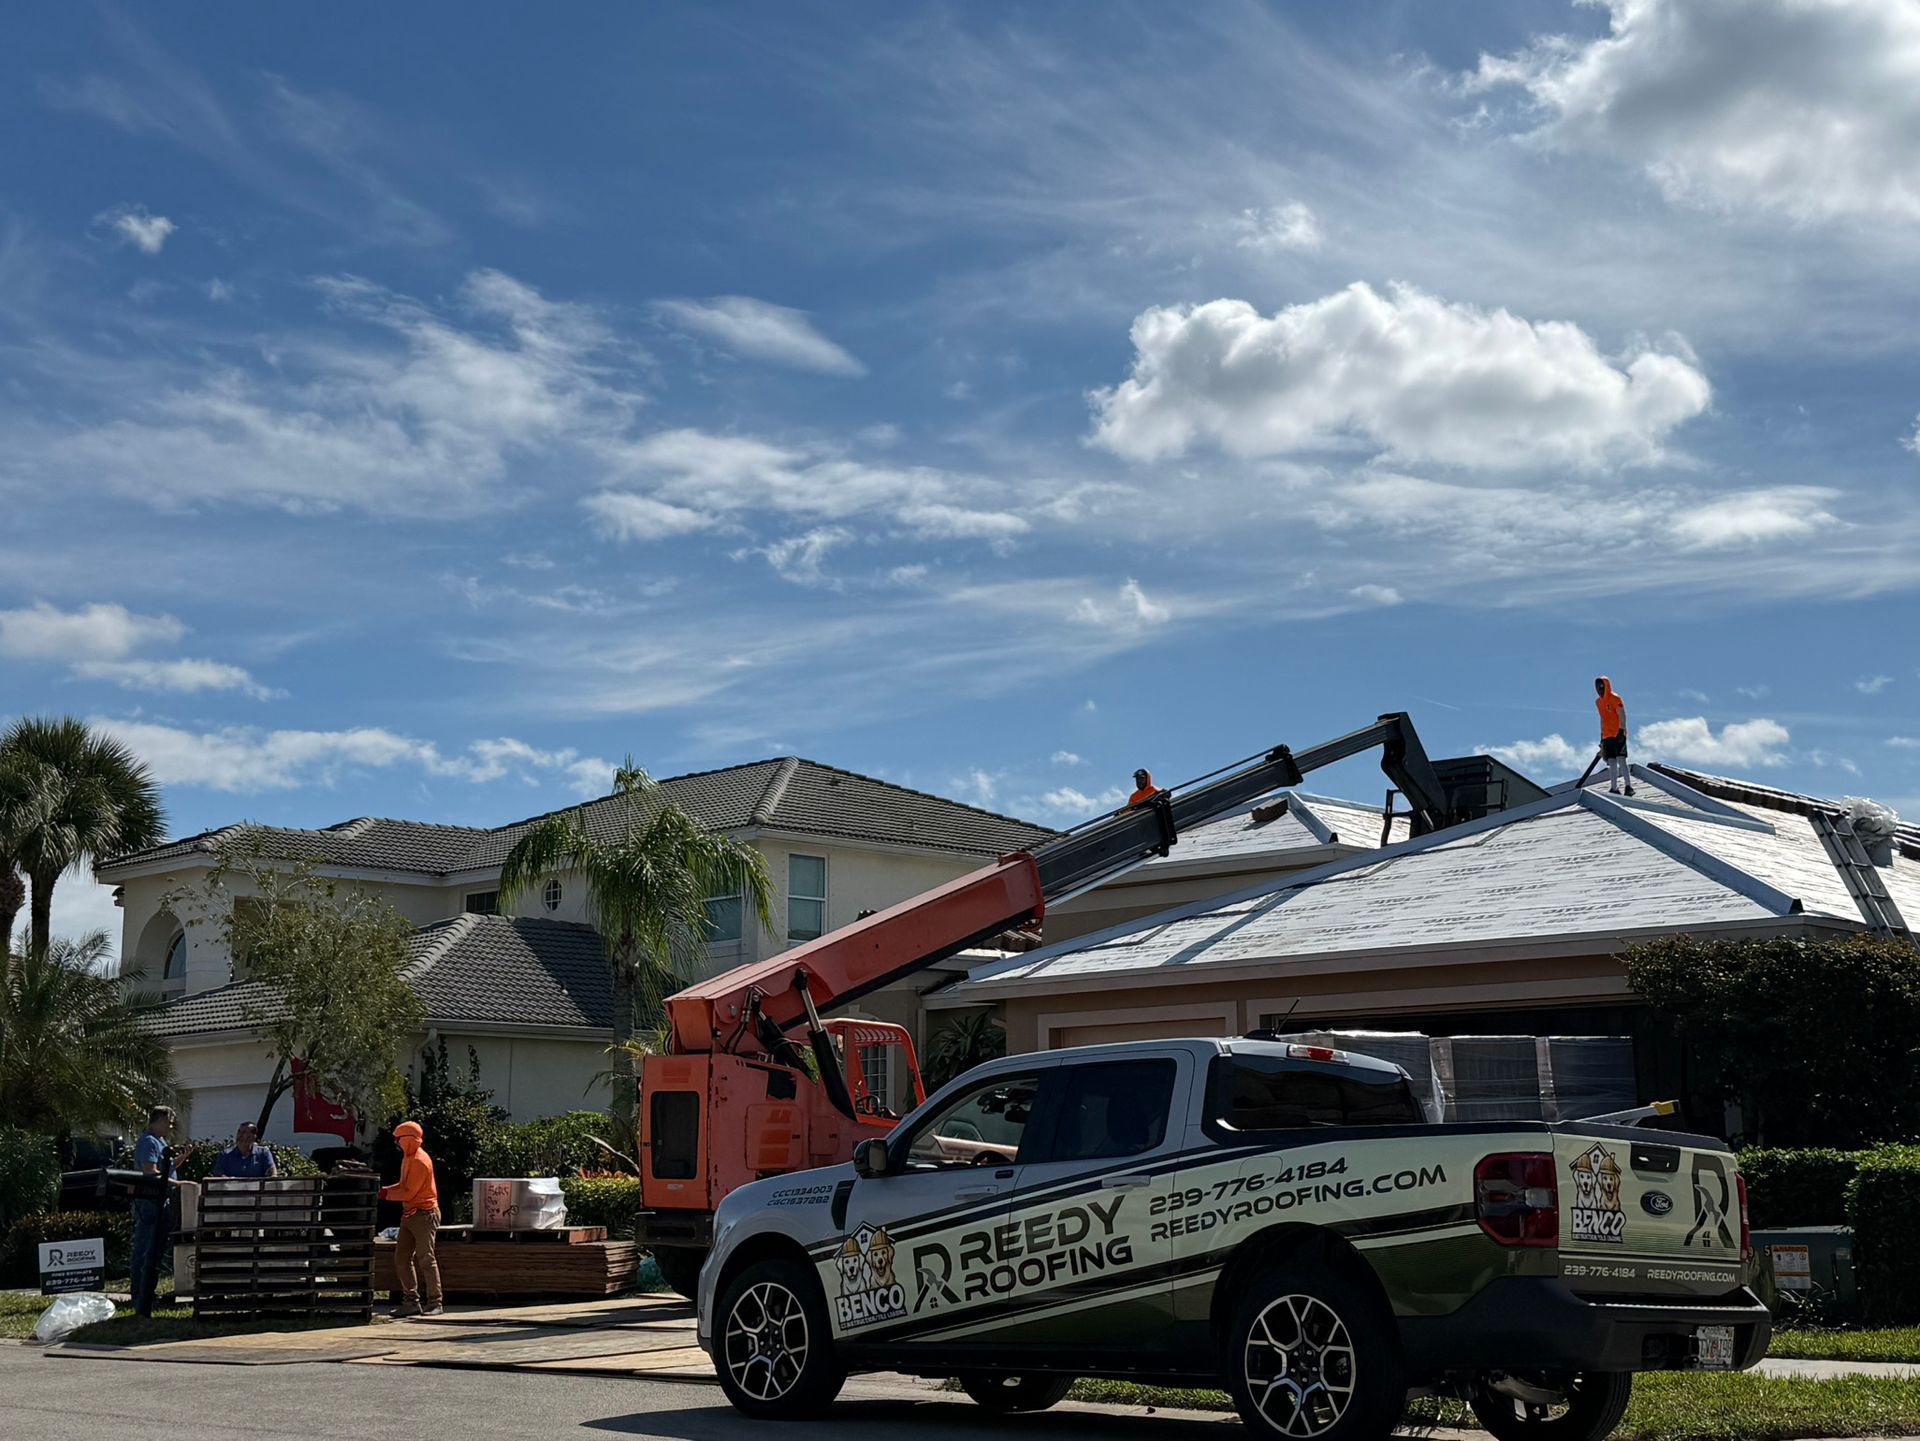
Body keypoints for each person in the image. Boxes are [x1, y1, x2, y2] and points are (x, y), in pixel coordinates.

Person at [129, 1104, 192, 1318]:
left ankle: (149, 1292)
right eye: (169, 1123)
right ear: (159, 1121)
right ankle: (139, 1294)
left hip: (161, 1201)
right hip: (149, 1202)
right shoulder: (148, 1142)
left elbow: (165, 1168)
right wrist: (180, 1184)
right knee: (145, 1249)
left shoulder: (161, 1142)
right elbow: (152, 1173)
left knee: (156, 1250)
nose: (170, 1127)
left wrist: (181, 1158)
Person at [381, 1120, 443, 1317]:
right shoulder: (408, 1157)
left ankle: (435, 1302)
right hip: (410, 1214)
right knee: (402, 1258)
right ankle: (411, 1302)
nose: (397, 1143)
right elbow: (402, 1185)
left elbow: (408, 1193)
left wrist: (383, 1196)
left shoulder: (419, 1160)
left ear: (408, 1140)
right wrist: (382, 1189)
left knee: (426, 1258)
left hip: (424, 1214)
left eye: (399, 1139)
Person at [1595, 676, 1634, 797]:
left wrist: (1622, 730)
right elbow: (1602, 718)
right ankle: (1614, 787)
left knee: (1621, 759)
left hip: (1617, 733)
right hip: (1607, 735)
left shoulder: (1615, 698)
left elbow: (1622, 714)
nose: (1599, 689)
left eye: (1601, 686)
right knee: (1611, 761)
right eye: (1597, 686)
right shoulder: (1599, 702)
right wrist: (1602, 736)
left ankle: (1628, 786)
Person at [211, 1121, 278, 1179]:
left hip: (257, 1192)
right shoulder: (225, 1155)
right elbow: (218, 1175)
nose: (239, 1136)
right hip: (233, 1192)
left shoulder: (263, 1153)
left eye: (243, 1133)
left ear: (253, 1136)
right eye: (239, 1132)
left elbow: (272, 1173)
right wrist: (230, 1181)